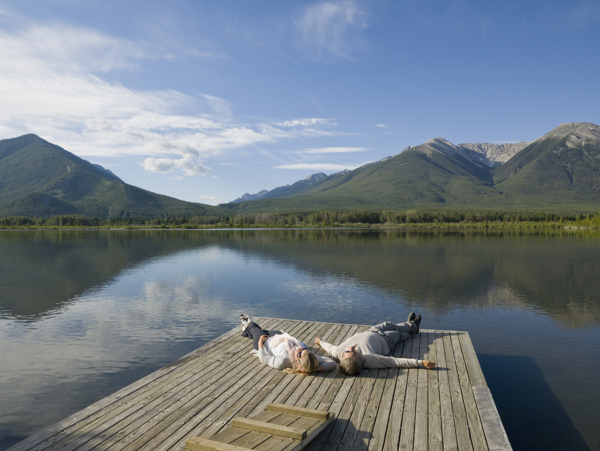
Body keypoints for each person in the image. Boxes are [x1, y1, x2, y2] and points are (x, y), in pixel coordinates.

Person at [315, 312, 436, 376]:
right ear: (359, 359)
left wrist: (320, 342)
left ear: (342, 358)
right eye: (354, 352)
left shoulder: (338, 353)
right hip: (386, 340)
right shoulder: (369, 359)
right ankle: (412, 327)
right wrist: (420, 362)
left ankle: (411, 325)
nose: (351, 348)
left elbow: (329, 348)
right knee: (399, 333)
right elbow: (395, 362)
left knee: (389, 324)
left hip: (371, 331)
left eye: (348, 352)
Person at [240, 315, 336, 374]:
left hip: (265, 343)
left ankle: (248, 321)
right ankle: (247, 328)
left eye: (299, 354)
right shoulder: (308, 357)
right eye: (304, 349)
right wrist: (314, 369)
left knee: (255, 330)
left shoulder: (283, 361)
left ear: (299, 363)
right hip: (281, 337)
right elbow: (332, 363)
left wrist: (260, 342)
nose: (299, 349)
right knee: (266, 331)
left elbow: (264, 358)